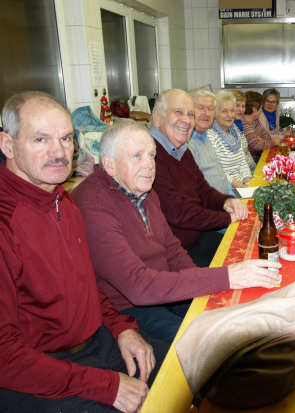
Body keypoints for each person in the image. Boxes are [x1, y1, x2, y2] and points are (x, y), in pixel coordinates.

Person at [0, 91, 169, 413]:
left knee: (187, 367)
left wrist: (123, 329)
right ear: (8, 145)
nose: (58, 152)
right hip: (39, 371)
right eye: (40, 139)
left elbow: (87, 286)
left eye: (66, 138)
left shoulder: (64, 202)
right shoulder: (5, 221)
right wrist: (105, 385)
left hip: (96, 341)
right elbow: (5, 356)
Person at [72, 121, 281, 341]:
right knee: (207, 342)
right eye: (137, 156)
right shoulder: (92, 203)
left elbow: (172, 251)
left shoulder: (143, 189)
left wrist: (201, 289)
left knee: (237, 313)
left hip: (166, 292)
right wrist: (226, 276)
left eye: (151, 156)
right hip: (130, 310)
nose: (149, 165)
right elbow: (137, 286)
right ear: (109, 165)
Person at [150, 89, 248, 268]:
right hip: (174, 251)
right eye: (178, 112)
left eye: (190, 114)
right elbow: (178, 213)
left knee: (246, 252)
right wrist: (227, 218)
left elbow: (202, 189)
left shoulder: (181, 149)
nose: (187, 120)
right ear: (157, 117)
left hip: (196, 237)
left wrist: (226, 202)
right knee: (233, 275)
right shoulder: (151, 155)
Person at [187, 88, 233, 196]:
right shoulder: (185, 143)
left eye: (211, 109)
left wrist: (232, 196)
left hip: (225, 200)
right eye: (200, 108)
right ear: (188, 111)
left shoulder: (206, 136)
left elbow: (219, 173)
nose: (207, 113)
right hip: (210, 208)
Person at [208, 91, 253, 189]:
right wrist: (241, 187)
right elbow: (218, 172)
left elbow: (242, 161)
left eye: (232, 110)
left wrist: (248, 182)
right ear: (215, 113)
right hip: (227, 190)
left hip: (242, 187)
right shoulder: (211, 136)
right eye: (224, 111)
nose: (230, 115)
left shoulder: (234, 130)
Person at [242, 91, 279, 161]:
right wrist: (274, 142)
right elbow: (258, 146)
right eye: (260, 108)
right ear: (254, 109)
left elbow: (267, 136)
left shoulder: (255, 121)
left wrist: (262, 141)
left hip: (259, 159)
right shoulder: (244, 124)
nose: (261, 110)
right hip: (252, 163)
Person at [230, 89, 256, 174]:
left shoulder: (239, 123)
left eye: (243, 106)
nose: (241, 109)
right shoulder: (229, 126)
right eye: (237, 105)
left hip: (250, 172)